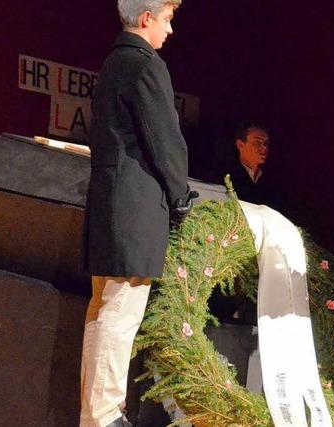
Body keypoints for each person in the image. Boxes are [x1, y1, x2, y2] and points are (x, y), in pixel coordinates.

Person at [81, 1, 196, 426]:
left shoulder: (114, 62)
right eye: (167, 19)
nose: (170, 30)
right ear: (147, 18)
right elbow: (164, 140)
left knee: (104, 310)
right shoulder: (145, 65)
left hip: (112, 205)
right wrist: (181, 197)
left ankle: (98, 413)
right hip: (134, 210)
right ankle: (103, 416)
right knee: (118, 314)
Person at [228, 122, 274, 206]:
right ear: (240, 145)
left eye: (266, 143)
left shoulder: (272, 178)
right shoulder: (226, 176)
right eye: (257, 142)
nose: (264, 148)